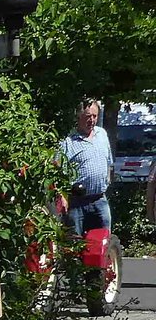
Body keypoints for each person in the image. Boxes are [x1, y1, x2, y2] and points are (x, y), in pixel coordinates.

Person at [56, 98, 113, 236]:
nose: (92, 120)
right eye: (88, 116)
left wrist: (108, 180)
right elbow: (56, 171)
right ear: (79, 117)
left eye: (95, 116)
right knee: (75, 240)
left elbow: (109, 162)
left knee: (104, 241)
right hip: (77, 203)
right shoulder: (68, 141)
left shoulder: (102, 134)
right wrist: (61, 196)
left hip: (99, 200)